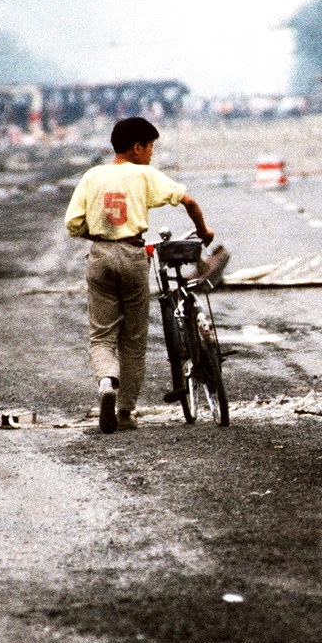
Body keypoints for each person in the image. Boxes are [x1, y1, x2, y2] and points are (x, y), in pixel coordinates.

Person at [64, 117, 214, 434]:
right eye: (150, 148)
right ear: (136, 148)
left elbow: (73, 224)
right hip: (133, 256)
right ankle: (125, 412)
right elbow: (189, 201)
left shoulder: (92, 176)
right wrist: (204, 231)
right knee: (133, 341)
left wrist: (99, 233)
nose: (151, 155)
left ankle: (107, 382)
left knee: (102, 336)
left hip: (101, 256)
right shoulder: (143, 174)